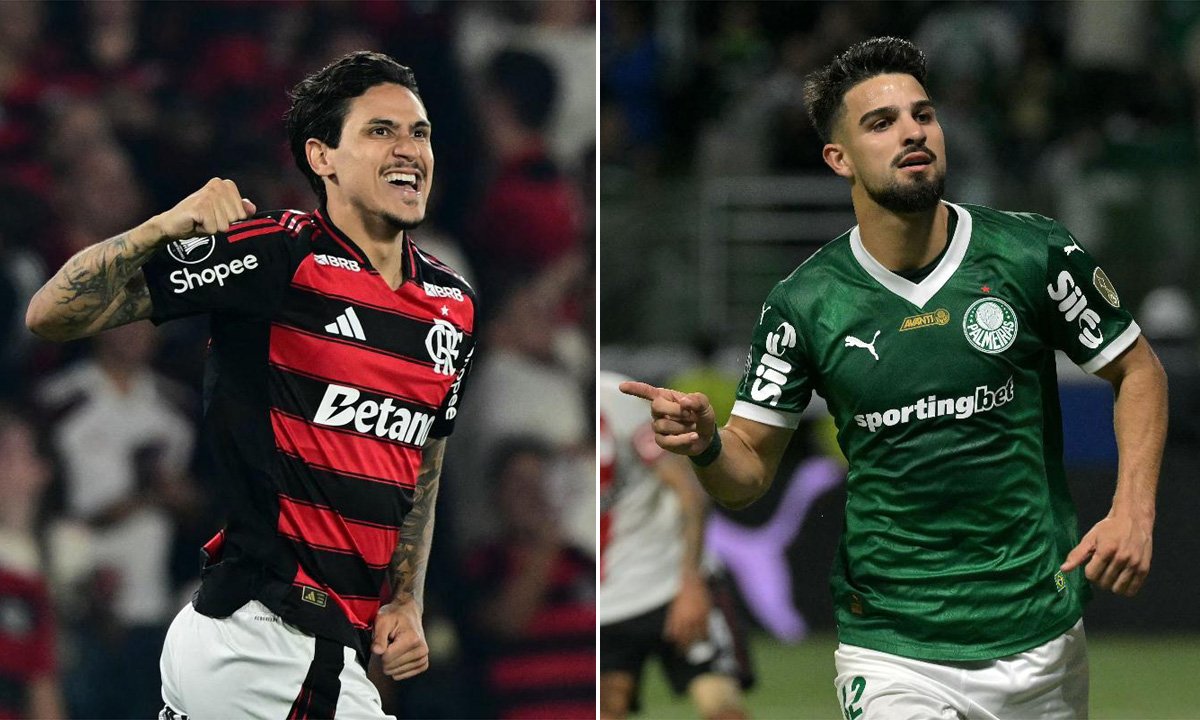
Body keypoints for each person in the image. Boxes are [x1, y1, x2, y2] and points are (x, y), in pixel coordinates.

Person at [621, 37, 1167, 720]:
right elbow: (748, 470)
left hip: (1041, 640)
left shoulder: (1032, 252)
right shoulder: (806, 304)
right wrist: (706, 443)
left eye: (922, 114)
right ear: (838, 157)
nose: (912, 131)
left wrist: (1133, 511)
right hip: (894, 651)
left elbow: (1138, 368)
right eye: (881, 123)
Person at [25, 51, 477, 719]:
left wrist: (403, 598)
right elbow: (51, 315)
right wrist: (163, 226)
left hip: (302, 645)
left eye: (419, 131)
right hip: (265, 635)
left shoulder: (452, 304)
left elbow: (422, 460)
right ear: (323, 157)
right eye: (380, 131)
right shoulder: (275, 256)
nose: (408, 148)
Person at [599, 371, 751, 720]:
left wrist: (691, 584)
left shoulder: (617, 399)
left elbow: (690, 493)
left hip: (668, 582)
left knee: (721, 708)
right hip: (608, 603)